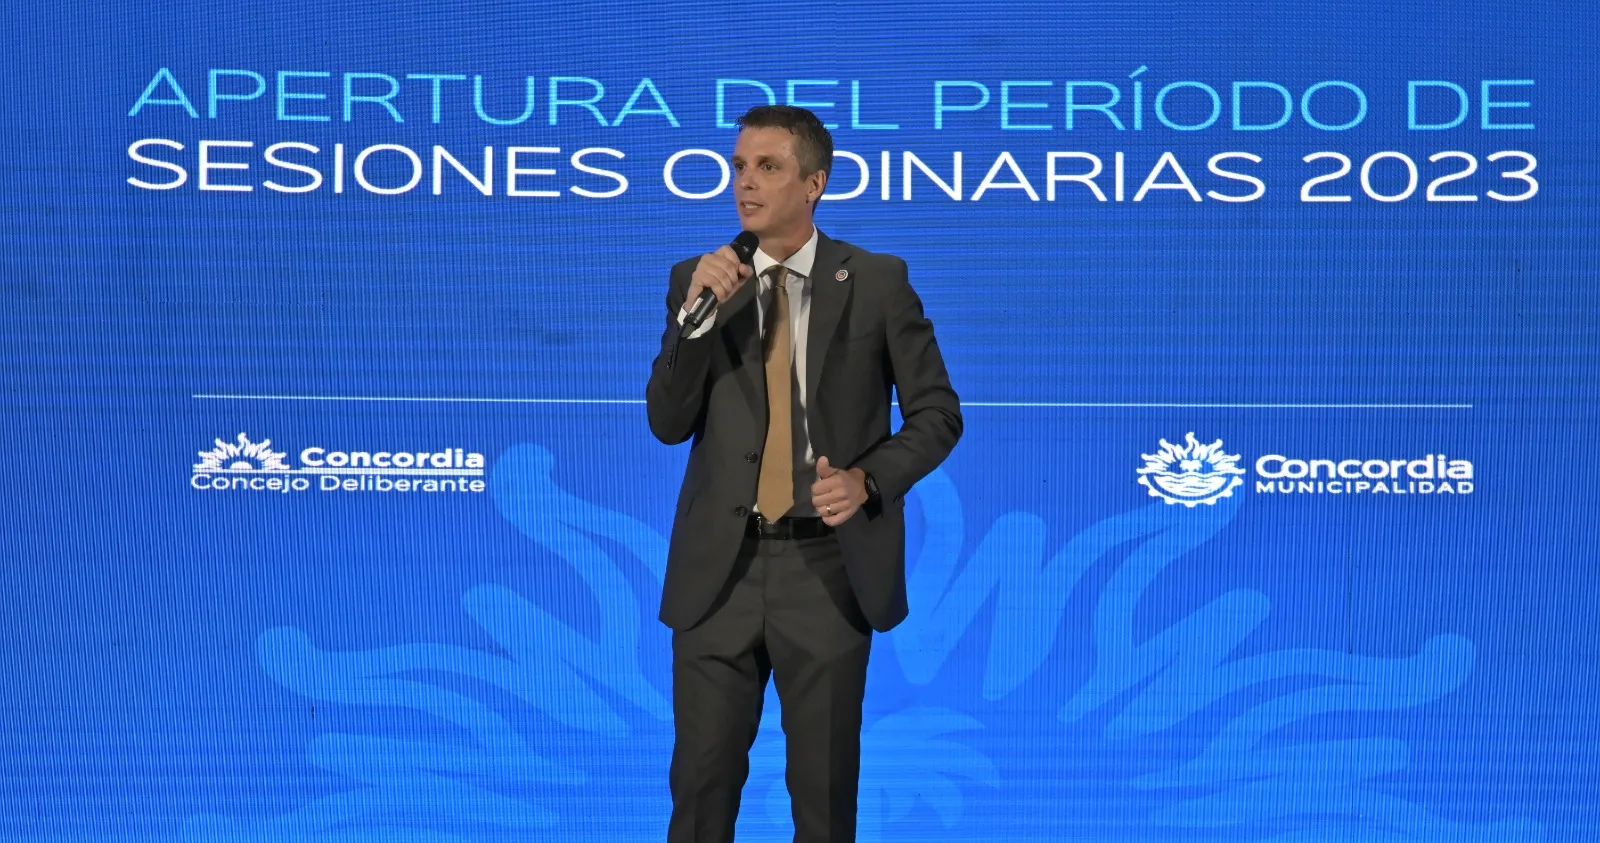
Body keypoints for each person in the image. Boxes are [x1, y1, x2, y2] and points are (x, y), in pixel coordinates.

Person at [645, 104, 962, 843]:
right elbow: (667, 420)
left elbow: (938, 413)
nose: (745, 183)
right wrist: (698, 315)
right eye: (738, 166)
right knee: (700, 790)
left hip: (826, 568)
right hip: (717, 575)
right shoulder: (699, 280)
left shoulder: (876, 281)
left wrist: (867, 480)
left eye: (768, 167)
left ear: (814, 183)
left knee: (822, 799)